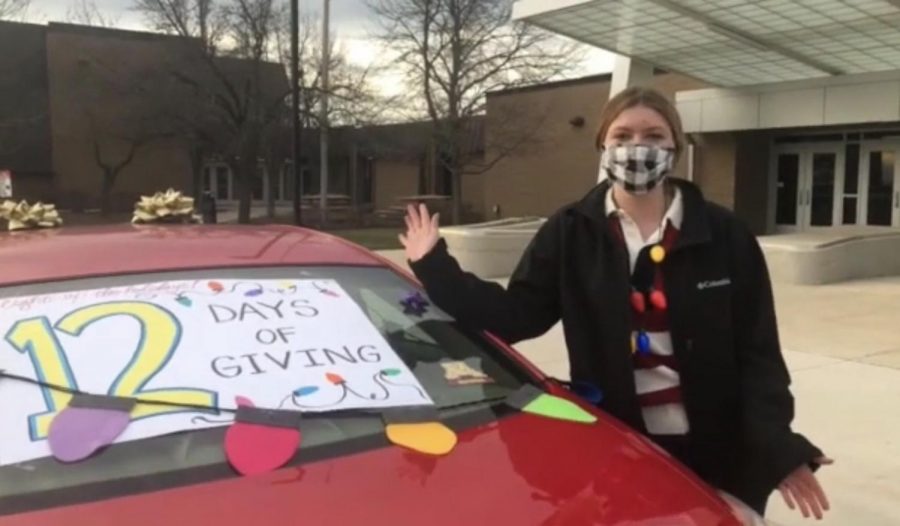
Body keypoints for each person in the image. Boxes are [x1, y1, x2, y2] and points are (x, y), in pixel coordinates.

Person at [399, 86, 832, 520]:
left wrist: (777, 447)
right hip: (624, 449)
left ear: (675, 147)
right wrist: (434, 267)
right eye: (622, 136)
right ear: (602, 145)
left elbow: (759, 355)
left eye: (653, 136)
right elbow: (516, 316)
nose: (636, 147)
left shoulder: (725, 234)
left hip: (720, 452)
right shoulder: (570, 232)